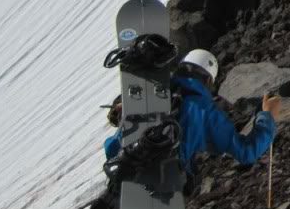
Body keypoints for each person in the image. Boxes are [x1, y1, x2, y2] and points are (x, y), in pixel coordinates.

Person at [104, 49, 280, 179]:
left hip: (118, 153)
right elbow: (246, 152)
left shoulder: (160, 86)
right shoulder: (207, 112)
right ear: (209, 80)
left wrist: (121, 109)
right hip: (168, 170)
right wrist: (267, 117)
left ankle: (129, 154)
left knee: (117, 144)